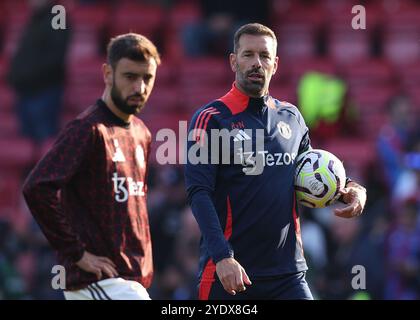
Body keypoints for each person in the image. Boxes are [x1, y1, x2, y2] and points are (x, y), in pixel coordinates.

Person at [184, 23, 367, 300]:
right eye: (248, 55)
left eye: (264, 55)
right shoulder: (211, 119)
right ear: (234, 61)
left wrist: (353, 188)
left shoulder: (291, 117)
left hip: (288, 275)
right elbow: (198, 193)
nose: (257, 63)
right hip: (232, 273)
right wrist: (222, 257)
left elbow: (313, 172)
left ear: (275, 63)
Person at [22, 33, 161, 300]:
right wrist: (76, 253)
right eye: (130, 76)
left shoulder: (141, 133)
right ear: (108, 73)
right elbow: (37, 187)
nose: (140, 87)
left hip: (131, 279)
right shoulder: (88, 129)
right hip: (99, 281)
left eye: (147, 78)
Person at [7, 0, 71, 155]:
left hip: (44, 90)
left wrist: (30, 75)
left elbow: (57, 53)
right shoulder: (36, 17)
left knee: (45, 145)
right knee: (27, 146)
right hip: (26, 89)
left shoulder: (58, 13)